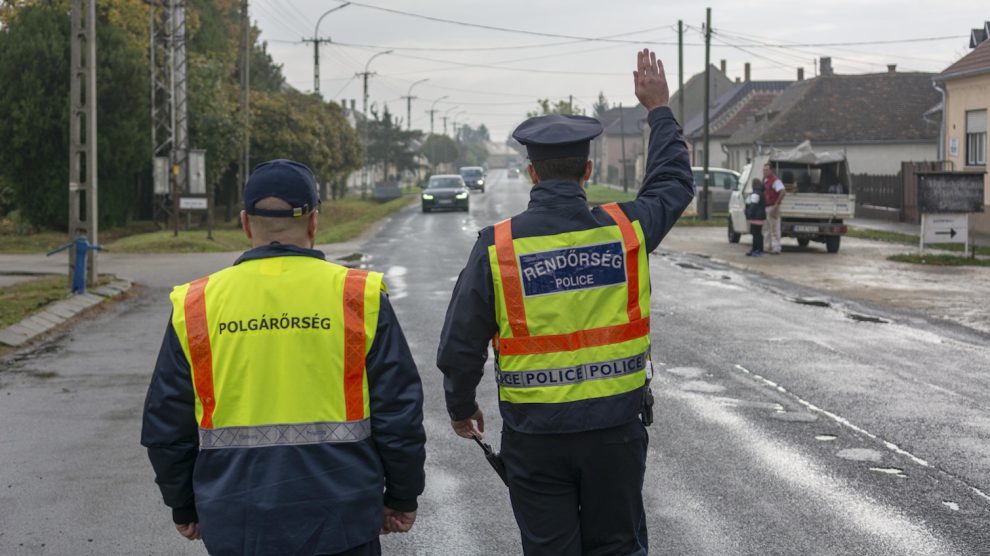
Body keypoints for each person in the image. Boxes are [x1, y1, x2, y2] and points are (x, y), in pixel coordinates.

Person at [436, 49, 693, 555]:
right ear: (588, 170)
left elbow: (461, 342)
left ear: (532, 173)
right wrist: (658, 109)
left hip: (536, 440)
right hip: (615, 435)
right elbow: (673, 184)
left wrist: (461, 407)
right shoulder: (628, 231)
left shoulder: (499, 246)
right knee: (617, 547)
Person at [141, 159, 426, 556]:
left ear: (244, 223)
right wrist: (402, 496)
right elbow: (399, 413)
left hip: (236, 521)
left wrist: (183, 503)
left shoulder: (197, 304)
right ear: (313, 222)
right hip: (342, 519)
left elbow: (166, 425)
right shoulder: (357, 296)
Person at [763, 163, 786, 254]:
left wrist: (776, 205)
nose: (765, 172)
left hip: (772, 206)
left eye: (766, 170)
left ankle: (776, 248)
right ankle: (767, 246)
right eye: (764, 170)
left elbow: (783, 191)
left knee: (774, 229)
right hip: (766, 206)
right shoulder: (765, 180)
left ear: (771, 170)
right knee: (766, 229)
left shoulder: (775, 181)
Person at [745, 178, 767, 256]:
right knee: (758, 233)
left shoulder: (755, 193)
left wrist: (749, 213)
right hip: (761, 216)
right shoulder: (761, 192)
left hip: (755, 217)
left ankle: (757, 250)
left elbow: (753, 205)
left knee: (756, 234)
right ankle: (756, 249)